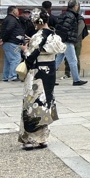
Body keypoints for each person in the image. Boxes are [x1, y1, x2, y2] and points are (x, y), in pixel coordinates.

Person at [17, 15, 65, 150]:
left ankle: (30, 139)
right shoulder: (55, 36)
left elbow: (30, 57)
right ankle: (43, 138)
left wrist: (25, 50)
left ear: (35, 22)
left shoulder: (37, 37)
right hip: (49, 72)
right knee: (46, 102)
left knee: (32, 102)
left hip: (36, 72)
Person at [54, 0, 87, 86]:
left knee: (58, 60)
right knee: (73, 60)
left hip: (62, 40)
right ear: (75, 6)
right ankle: (76, 80)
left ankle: (49, 78)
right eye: (77, 5)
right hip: (67, 41)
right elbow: (65, 28)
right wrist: (65, 40)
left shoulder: (64, 14)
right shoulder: (71, 16)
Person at [0, 5, 27, 83]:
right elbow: (8, 30)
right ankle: (13, 76)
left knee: (8, 60)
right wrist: (3, 39)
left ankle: (6, 76)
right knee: (15, 59)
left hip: (10, 42)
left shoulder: (10, 19)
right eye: (17, 10)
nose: (18, 12)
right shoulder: (11, 19)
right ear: (13, 11)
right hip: (11, 42)